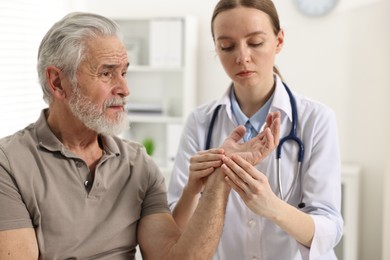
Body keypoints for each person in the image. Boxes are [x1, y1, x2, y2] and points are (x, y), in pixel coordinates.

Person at [0, 12, 281, 259]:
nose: (124, 89)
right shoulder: (9, 163)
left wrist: (222, 177)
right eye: (107, 74)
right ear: (57, 82)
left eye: (124, 73)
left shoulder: (138, 163)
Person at [167, 0, 344, 259]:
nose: (242, 57)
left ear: (279, 41)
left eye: (255, 42)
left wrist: (271, 206)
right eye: (226, 46)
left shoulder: (316, 119)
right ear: (216, 47)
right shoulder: (200, 122)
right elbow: (177, 231)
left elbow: (330, 229)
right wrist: (193, 190)